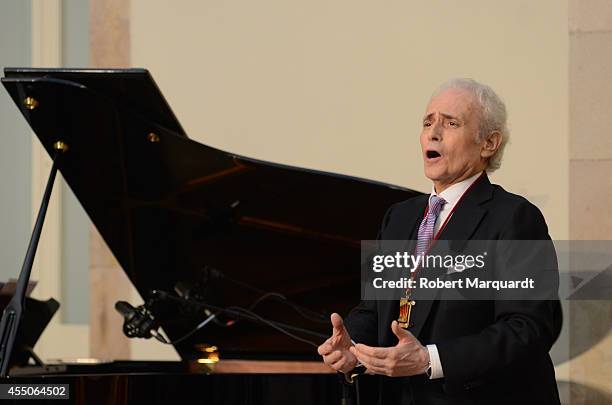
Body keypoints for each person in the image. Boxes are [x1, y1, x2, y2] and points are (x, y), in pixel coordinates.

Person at [317, 78, 562, 404]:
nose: (433, 132)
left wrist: (429, 360)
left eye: (451, 123)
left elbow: (528, 328)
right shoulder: (398, 217)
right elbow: (374, 309)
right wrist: (353, 348)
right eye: (427, 122)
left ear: (488, 143)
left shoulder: (515, 217)